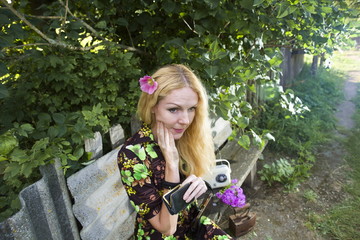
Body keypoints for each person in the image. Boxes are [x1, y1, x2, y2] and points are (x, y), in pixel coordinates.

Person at [117, 64, 233, 239]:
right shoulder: (132, 155)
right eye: (173, 109)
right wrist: (171, 165)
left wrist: (202, 182)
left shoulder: (186, 136)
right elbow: (166, 228)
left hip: (193, 225)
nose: (185, 120)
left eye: (191, 109)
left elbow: (199, 175)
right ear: (153, 106)